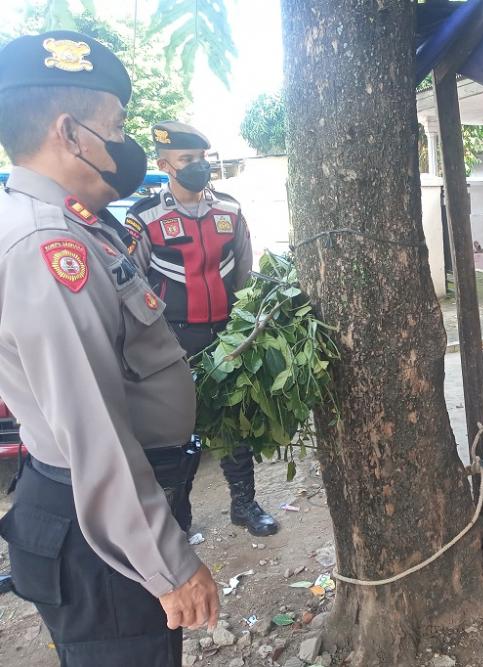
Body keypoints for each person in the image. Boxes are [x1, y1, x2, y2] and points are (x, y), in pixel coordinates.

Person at [0, 31, 219, 665]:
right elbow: (92, 430)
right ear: (69, 134)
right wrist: (171, 564)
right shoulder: (47, 248)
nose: (124, 146)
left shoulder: (75, 225)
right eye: (115, 128)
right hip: (96, 535)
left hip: (101, 518)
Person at [125, 121, 278, 537]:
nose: (198, 167)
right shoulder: (145, 218)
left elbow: (246, 276)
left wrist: (251, 324)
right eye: (187, 160)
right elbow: (130, 285)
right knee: (177, 431)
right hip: (172, 339)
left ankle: (244, 505)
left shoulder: (230, 210)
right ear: (165, 165)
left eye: (202, 159)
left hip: (227, 335)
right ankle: (178, 517)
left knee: (234, 421)